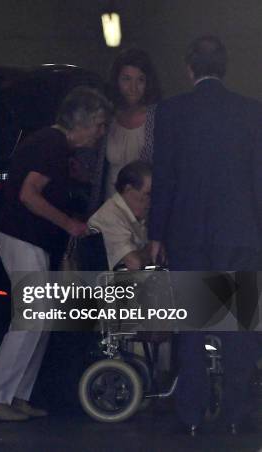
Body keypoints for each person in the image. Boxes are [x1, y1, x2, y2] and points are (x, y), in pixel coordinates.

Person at [0, 87, 112, 421]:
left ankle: (16, 394)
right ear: (85, 121)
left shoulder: (51, 145)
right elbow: (29, 195)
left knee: (40, 317)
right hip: (23, 236)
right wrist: (69, 225)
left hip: (25, 237)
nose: (101, 132)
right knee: (32, 316)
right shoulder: (51, 145)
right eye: (100, 124)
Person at [149, 35, 262, 435]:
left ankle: (192, 414)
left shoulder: (172, 112)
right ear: (225, 67)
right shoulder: (252, 112)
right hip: (241, 234)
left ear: (189, 68)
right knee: (240, 330)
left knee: (192, 329)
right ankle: (235, 414)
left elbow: (164, 178)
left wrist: (156, 233)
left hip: (189, 233)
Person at [88, 48, 162, 213]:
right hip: (109, 208)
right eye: (126, 79)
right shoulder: (108, 116)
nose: (133, 88)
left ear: (148, 82)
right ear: (117, 80)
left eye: (140, 80)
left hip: (144, 213)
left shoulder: (158, 118)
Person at [88, 160, 152, 271]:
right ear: (128, 189)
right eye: (147, 194)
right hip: (110, 285)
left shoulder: (134, 214)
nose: (151, 200)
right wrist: (152, 248)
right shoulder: (110, 216)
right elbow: (134, 264)